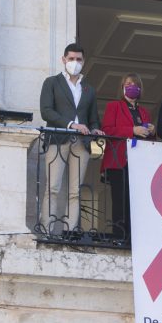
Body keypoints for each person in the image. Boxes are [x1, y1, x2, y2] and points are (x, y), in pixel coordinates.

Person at [39, 43, 104, 234]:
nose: (74, 63)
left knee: (75, 191)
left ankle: (69, 232)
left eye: (78, 59)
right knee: (53, 187)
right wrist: (70, 124)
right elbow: (46, 111)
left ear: (83, 62)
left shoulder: (89, 89)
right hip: (58, 139)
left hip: (81, 144)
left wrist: (96, 130)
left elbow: (94, 119)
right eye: (71, 59)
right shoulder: (51, 82)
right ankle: (47, 231)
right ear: (63, 60)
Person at [100, 73, 156, 240]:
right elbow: (108, 130)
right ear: (123, 86)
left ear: (139, 88)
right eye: (128, 83)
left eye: (134, 84)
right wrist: (132, 130)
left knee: (135, 201)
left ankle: (133, 238)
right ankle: (119, 237)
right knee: (119, 200)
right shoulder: (114, 106)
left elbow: (148, 139)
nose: (131, 86)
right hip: (118, 160)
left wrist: (152, 131)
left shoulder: (143, 112)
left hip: (138, 162)